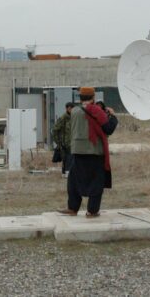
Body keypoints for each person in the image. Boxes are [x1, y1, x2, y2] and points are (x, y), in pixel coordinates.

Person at [58, 87, 117, 218]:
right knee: (96, 182)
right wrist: (112, 116)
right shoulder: (96, 110)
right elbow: (108, 128)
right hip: (94, 151)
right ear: (93, 97)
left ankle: (72, 208)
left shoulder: (74, 111)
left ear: (79, 97)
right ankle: (92, 211)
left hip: (77, 151)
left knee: (74, 180)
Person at [53, 102, 75, 177]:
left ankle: (65, 172)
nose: (70, 110)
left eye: (72, 108)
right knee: (67, 157)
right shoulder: (63, 118)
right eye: (69, 108)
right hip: (64, 142)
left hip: (72, 141)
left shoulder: (74, 117)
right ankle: (67, 172)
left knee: (69, 157)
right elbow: (55, 129)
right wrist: (58, 142)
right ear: (66, 109)